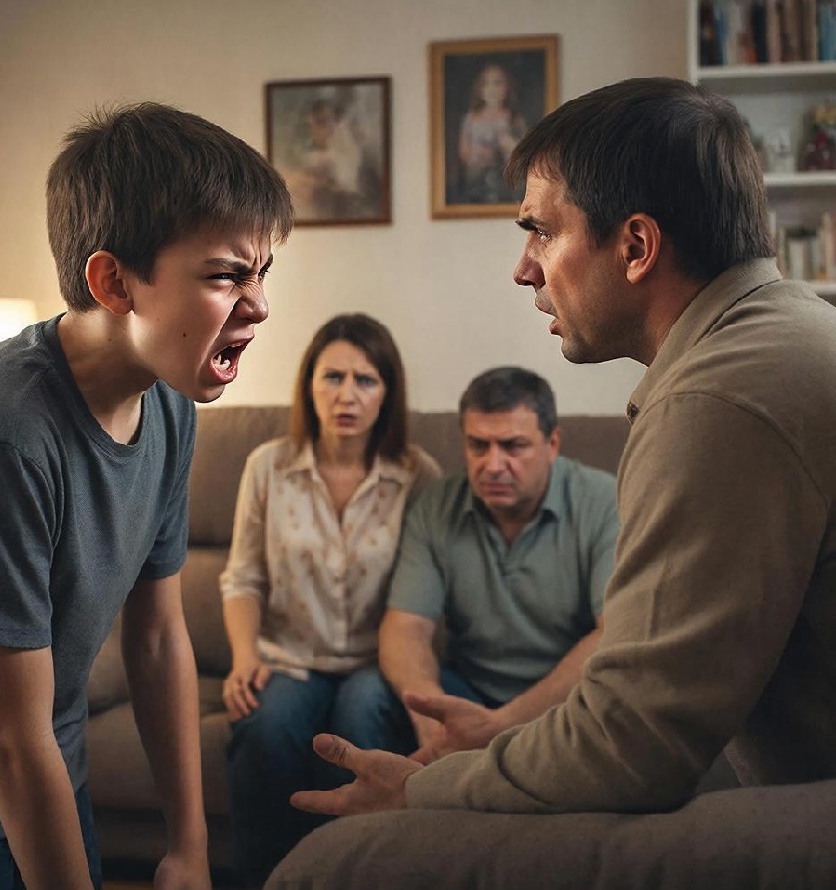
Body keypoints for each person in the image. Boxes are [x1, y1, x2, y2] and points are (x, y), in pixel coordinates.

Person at [282, 77, 836, 829]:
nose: (523, 267)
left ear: (635, 247)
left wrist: (418, 793)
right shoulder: (788, 328)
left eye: (541, 231)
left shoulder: (718, 400)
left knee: (332, 872)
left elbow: (631, 743)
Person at [0, 101, 292, 890]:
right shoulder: (0, 435)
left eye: (263, 272)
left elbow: (157, 637)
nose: (260, 304)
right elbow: (9, 740)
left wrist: (189, 847)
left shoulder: (170, 406)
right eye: (227, 275)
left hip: (55, 768)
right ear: (113, 282)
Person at [219, 312, 440, 887]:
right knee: (264, 727)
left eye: (365, 380)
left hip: (375, 664)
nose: (347, 395)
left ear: (387, 392)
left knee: (361, 718)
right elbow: (242, 578)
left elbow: (427, 595)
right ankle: (266, 887)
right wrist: (244, 656)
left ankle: (355, 884)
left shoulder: (417, 475)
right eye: (333, 377)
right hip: (289, 659)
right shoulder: (267, 466)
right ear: (309, 385)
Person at [362, 365, 617, 763]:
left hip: (567, 698)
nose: (493, 465)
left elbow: (612, 635)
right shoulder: (436, 506)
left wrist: (500, 725)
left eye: (513, 446)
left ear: (552, 444)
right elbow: (404, 627)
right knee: (364, 696)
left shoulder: (604, 503)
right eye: (478, 446)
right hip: (467, 690)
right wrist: (432, 718)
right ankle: (372, 806)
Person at [456, 62, 527, 204]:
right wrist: (478, 154)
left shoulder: (513, 118)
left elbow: (524, 152)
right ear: (480, 89)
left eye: (497, 83)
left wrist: (508, 146)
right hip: (477, 180)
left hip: (504, 180)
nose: (492, 89)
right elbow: (464, 152)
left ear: (506, 88)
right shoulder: (471, 119)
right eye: (486, 84)